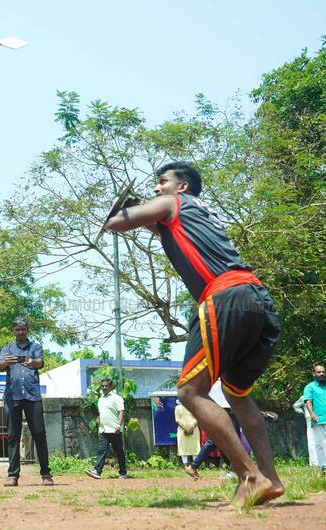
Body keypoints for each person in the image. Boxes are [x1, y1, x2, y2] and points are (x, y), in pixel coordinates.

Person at [105, 162, 282, 509]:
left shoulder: (174, 203)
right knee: (238, 394)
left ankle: (250, 478)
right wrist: (139, 210)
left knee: (189, 391)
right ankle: (272, 479)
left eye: (162, 182)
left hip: (224, 297)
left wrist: (118, 213)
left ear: (181, 187)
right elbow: (159, 228)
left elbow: (116, 224)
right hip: (256, 297)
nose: (157, 189)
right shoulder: (200, 213)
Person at [0, 318, 54, 487]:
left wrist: (32, 362)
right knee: (13, 436)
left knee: (39, 434)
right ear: (13, 331)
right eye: (17, 329)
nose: (20, 332)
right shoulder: (7, 348)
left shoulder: (35, 347)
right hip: (12, 396)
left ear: (27, 330)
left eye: (23, 329)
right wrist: (5, 362)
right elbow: (0, 364)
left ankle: (46, 474)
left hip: (32, 396)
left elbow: (41, 362)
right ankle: (13, 475)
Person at [86, 378, 128, 479]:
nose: (104, 388)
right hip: (103, 430)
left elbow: (121, 412)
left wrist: (118, 425)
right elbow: (101, 413)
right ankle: (97, 471)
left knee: (119, 452)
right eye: (103, 386)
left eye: (106, 386)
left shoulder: (117, 398)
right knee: (102, 451)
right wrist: (99, 423)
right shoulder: (101, 399)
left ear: (111, 387)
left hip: (114, 430)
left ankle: (123, 473)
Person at [292, 395, 319, 466]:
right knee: (311, 440)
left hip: (320, 418)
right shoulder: (304, 397)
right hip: (310, 420)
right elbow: (295, 406)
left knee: (320, 439)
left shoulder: (318, 394)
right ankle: (314, 462)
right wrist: (303, 412)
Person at [175, 399, 200, 466]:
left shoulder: (194, 407)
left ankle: (194, 466)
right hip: (182, 430)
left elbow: (197, 418)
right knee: (183, 448)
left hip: (194, 429)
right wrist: (185, 428)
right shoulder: (178, 407)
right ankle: (185, 466)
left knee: (195, 448)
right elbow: (177, 420)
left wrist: (192, 427)